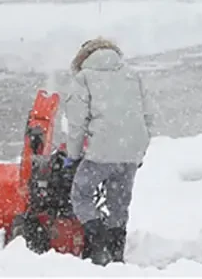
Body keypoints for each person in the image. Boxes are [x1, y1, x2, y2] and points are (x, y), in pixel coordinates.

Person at [62, 38, 154, 265]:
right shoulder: (132, 75)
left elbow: (76, 123)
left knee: (81, 195)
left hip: (100, 152)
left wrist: (73, 156)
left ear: (82, 58)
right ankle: (116, 253)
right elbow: (148, 116)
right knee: (118, 203)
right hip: (131, 150)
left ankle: (98, 244)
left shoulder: (84, 78)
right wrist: (139, 150)